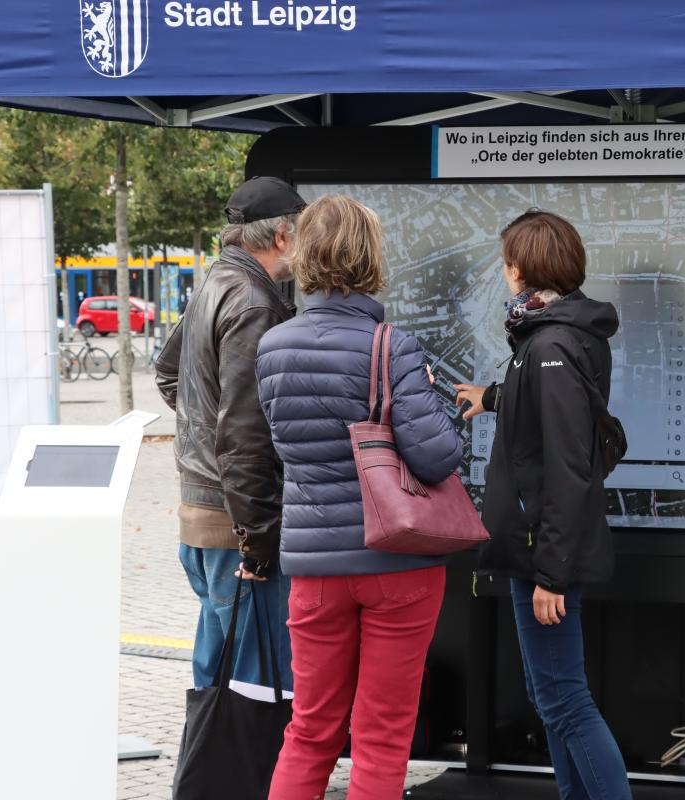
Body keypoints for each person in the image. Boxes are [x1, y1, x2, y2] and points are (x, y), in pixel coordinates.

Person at [256, 195, 463, 800]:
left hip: (314, 568)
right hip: (397, 560)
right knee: (382, 733)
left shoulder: (272, 348)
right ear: (369, 256)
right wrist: (428, 395)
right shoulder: (392, 346)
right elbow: (436, 456)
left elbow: (280, 449)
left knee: (310, 730)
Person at [455, 209, 632, 800]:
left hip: (545, 557)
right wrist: (494, 397)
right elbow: (552, 411)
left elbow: (566, 466)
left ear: (523, 269)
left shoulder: (551, 342)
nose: (503, 270)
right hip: (540, 552)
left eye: (508, 260)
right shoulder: (556, 335)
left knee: (564, 700)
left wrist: (551, 574)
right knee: (553, 698)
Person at [154, 176, 306, 693]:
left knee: (215, 666)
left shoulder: (215, 281)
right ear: (283, 235)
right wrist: (259, 540)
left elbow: (168, 372)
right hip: (233, 518)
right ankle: (249, 776)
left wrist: (204, 432)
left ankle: (209, 771)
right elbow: (244, 433)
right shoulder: (255, 302)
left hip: (202, 512)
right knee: (252, 678)